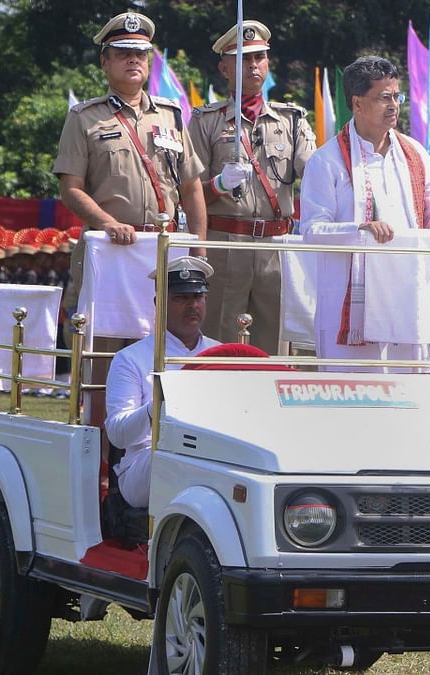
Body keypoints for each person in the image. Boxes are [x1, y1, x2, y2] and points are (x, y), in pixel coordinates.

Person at [298, 56, 430, 364]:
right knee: (351, 401)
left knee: (410, 397)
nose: (394, 105)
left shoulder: (415, 154)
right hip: (350, 306)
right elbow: (311, 232)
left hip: (406, 296)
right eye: (384, 98)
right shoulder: (326, 161)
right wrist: (359, 230)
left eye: (396, 97)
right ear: (357, 104)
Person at [54, 10, 208, 317]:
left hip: (166, 247)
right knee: (106, 344)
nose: (133, 60)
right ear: (104, 62)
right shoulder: (84, 118)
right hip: (111, 246)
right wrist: (108, 223)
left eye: (140, 53)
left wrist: (200, 250)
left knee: (164, 340)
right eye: (123, 53)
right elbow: (70, 189)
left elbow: (191, 188)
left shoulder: (171, 115)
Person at [191, 19, 316, 353]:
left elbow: (317, 175)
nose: (253, 65)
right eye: (243, 59)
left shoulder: (291, 121)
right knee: (220, 341)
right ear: (224, 68)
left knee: (274, 345)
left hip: (276, 245)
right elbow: (186, 194)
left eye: (259, 57)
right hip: (226, 242)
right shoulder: (206, 121)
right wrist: (218, 185)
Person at [105, 257, 221, 509]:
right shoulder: (131, 358)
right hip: (146, 459)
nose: (192, 305)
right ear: (159, 304)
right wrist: (158, 405)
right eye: (181, 298)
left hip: (215, 454)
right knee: (177, 455)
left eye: (198, 297)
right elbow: (117, 434)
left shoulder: (222, 354)